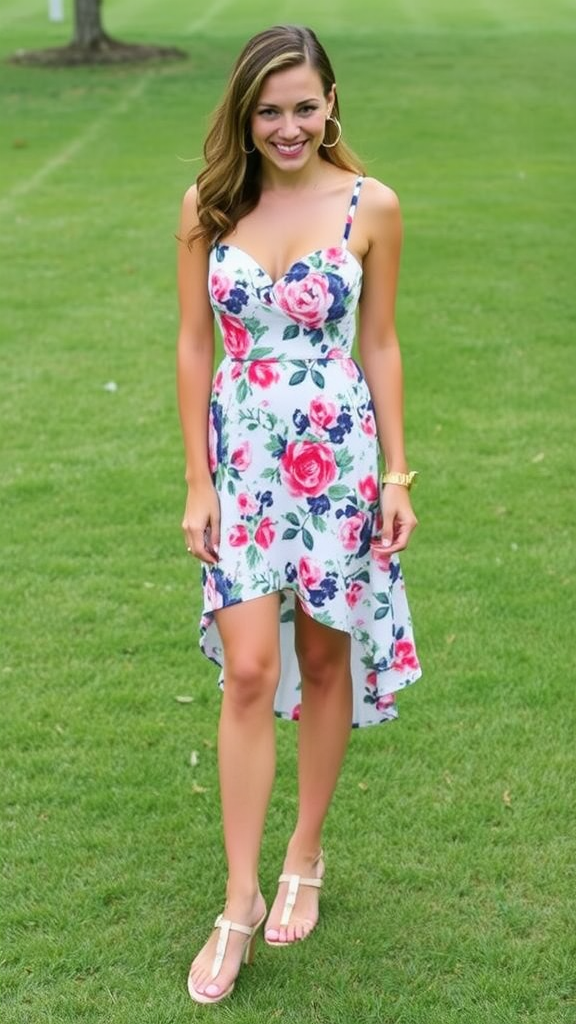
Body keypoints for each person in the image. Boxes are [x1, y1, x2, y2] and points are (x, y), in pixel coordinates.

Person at [176, 24, 422, 1005]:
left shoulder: (373, 206)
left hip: (339, 466)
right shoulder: (208, 206)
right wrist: (196, 479)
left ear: (331, 103)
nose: (287, 125)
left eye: (303, 106)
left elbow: (384, 344)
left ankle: (304, 854)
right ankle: (237, 900)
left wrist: (398, 475)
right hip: (241, 462)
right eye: (268, 109)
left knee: (325, 658)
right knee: (247, 669)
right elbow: (195, 346)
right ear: (245, 112)